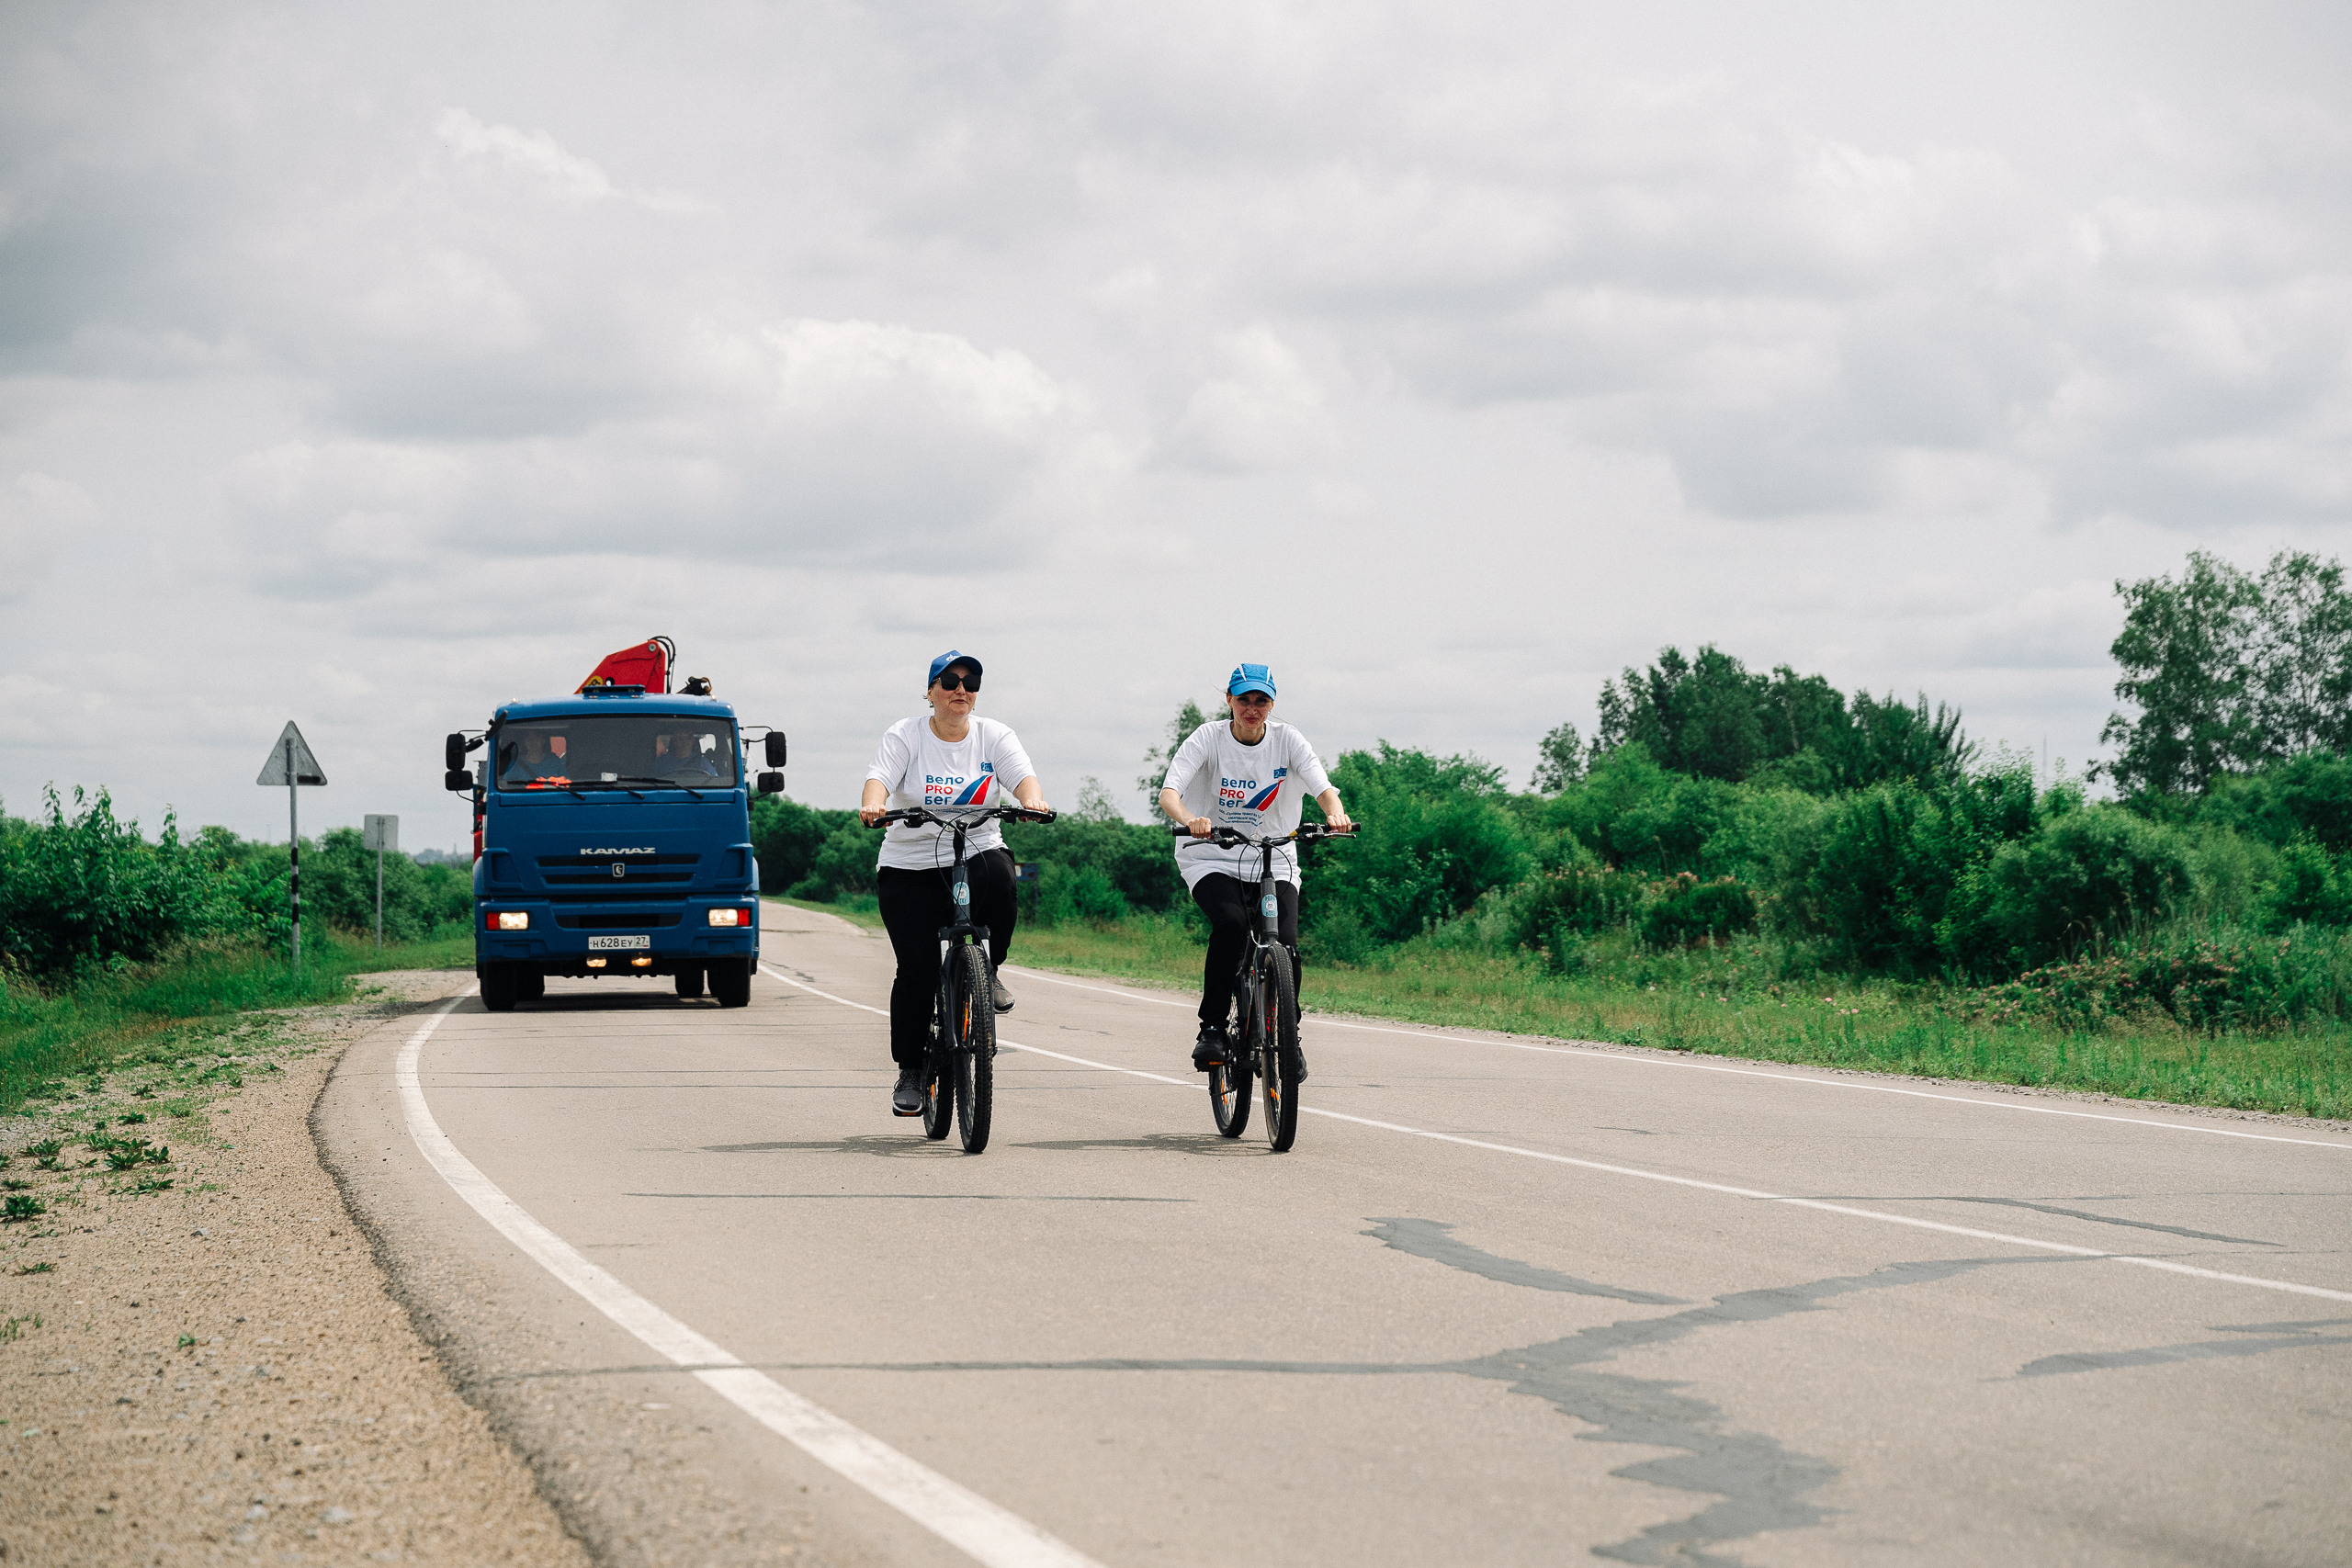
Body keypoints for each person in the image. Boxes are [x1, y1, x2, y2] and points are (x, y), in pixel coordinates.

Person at [860, 650, 1052, 1117]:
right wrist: (873, 804)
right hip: (911, 863)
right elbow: (879, 778)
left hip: (976, 849)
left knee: (1004, 883)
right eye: (949, 681)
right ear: (930, 691)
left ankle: (987, 972)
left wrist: (1033, 800)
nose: (960, 690)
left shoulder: (994, 735)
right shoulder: (905, 734)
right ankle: (910, 1069)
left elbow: (1023, 779)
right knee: (918, 968)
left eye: (970, 682)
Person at [1158, 663, 1351, 1078]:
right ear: (1229, 699)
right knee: (1229, 924)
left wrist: (1336, 815)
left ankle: (1289, 1037)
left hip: (1274, 856)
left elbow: (1324, 789)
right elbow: (1169, 793)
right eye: (1243, 699)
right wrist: (1191, 818)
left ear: (1271, 704)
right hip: (1211, 856)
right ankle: (1211, 1028)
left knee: (1288, 945)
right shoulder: (1208, 738)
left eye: (1260, 700)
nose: (1251, 708)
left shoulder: (1288, 740)